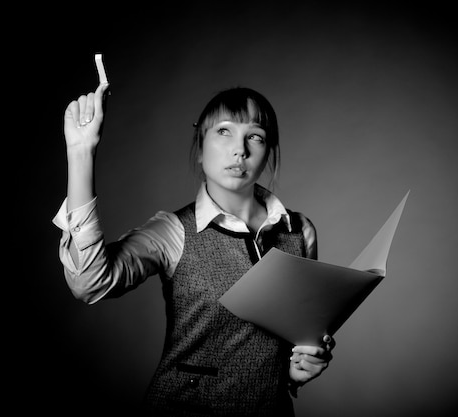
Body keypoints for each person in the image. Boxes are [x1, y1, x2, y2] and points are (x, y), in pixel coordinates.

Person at [52, 78, 335, 416]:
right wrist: (81, 154)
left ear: (267, 152)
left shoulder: (299, 232)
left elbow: (292, 345)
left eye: (254, 136)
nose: (239, 149)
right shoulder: (173, 231)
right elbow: (89, 283)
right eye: (224, 131)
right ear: (200, 149)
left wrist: (298, 368)